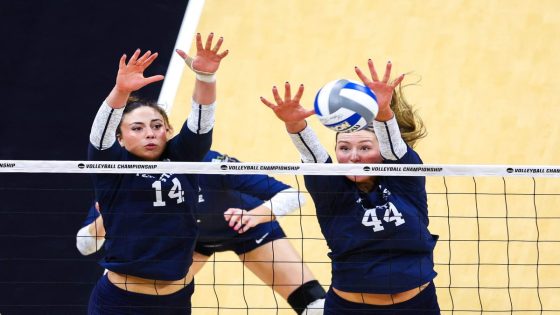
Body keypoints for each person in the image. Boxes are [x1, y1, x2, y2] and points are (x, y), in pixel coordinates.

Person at [260, 60, 440, 314]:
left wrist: (383, 112)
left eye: (365, 147)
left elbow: (395, 148)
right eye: (344, 148)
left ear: (382, 153)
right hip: (350, 309)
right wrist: (295, 125)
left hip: (417, 306)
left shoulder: (405, 180)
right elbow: (313, 157)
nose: (352, 156)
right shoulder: (332, 192)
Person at [78, 150, 327, 315]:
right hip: (191, 244)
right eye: (137, 129)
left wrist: (254, 215)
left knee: (313, 303)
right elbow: (85, 246)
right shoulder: (120, 181)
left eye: (156, 127)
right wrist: (107, 217)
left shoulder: (208, 162)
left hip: (249, 230)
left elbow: (293, 195)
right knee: (149, 300)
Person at [86, 33, 228, 314]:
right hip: (120, 302)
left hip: (175, 301)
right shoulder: (113, 166)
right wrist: (121, 91)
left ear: (167, 131)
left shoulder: (182, 157)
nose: (149, 133)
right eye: (137, 128)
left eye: (156, 125)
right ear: (121, 138)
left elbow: (201, 124)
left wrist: (205, 79)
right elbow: (99, 137)